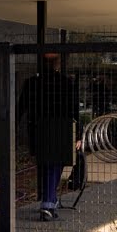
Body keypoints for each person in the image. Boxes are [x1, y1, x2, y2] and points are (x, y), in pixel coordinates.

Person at [17, 53, 80, 221]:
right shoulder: (67, 83)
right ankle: (48, 203)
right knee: (56, 164)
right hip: (61, 128)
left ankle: (50, 199)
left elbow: (20, 108)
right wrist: (78, 134)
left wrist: (13, 129)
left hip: (38, 128)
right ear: (58, 64)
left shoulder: (31, 83)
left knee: (45, 164)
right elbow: (74, 111)